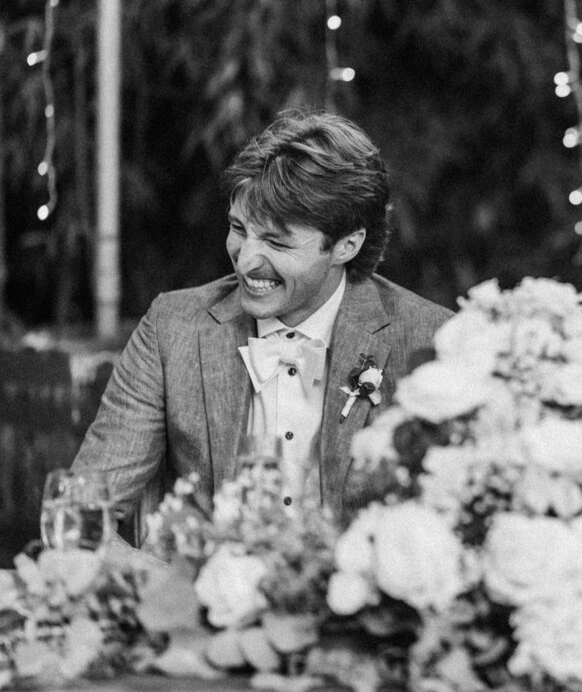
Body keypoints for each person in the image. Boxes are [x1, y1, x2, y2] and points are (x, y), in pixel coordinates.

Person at [70, 110, 451, 537]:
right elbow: (81, 512)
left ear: (346, 245)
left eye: (276, 241)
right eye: (239, 228)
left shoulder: (431, 342)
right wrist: (162, 587)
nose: (246, 259)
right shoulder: (171, 328)